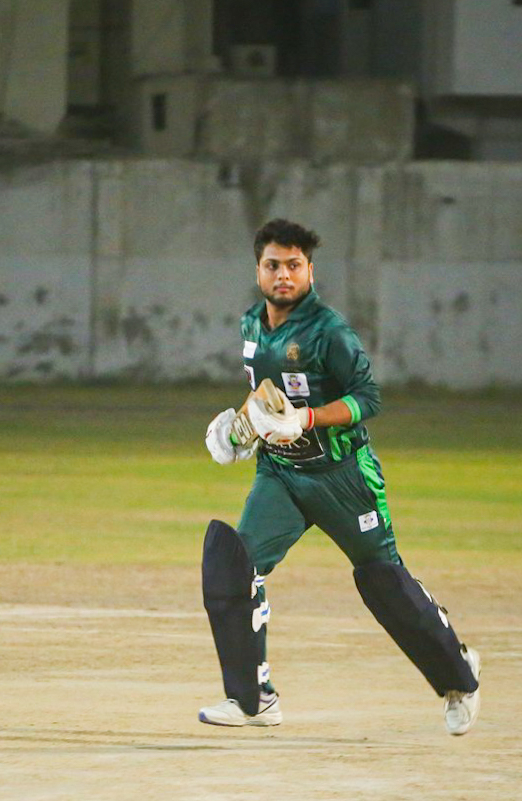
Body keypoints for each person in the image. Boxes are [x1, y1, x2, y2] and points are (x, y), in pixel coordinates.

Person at [200, 218, 481, 736]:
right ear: (258, 270)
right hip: (282, 474)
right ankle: (253, 698)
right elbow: (266, 394)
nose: (283, 275)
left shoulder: (329, 331)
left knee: (383, 582)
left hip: (344, 477)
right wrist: (240, 430)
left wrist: (307, 419)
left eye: (294, 265)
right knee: (235, 566)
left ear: (310, 270)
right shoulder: (251, 325)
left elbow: (367, 397)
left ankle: (458, 678)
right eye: (272, 265)